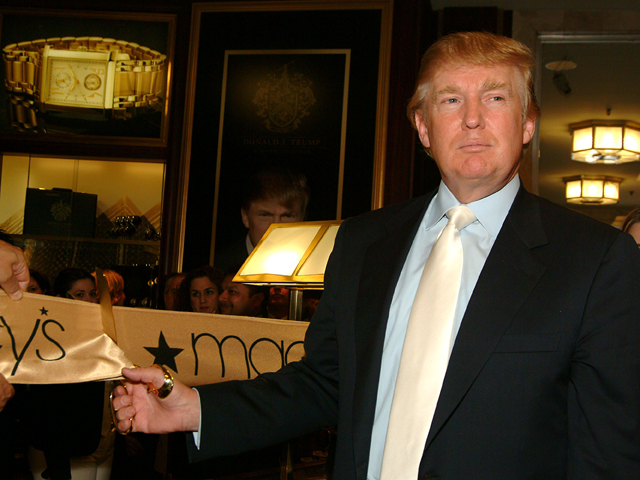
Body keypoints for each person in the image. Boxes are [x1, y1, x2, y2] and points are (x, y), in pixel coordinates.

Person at [55, 31, 640, 478]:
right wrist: (194, 411)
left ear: (528, 122)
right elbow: (326, 383)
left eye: (495, 97)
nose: (471, 118)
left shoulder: (595, 262)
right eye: (450, 99)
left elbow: (609, 452)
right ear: (422, 127)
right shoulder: (363, 242)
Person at [214, 165, 310, 273]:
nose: (275, 228)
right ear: (245, 217)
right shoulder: (219, 269)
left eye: (287, 216)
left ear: (303, 219)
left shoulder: (319, 268)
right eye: (265, 215)